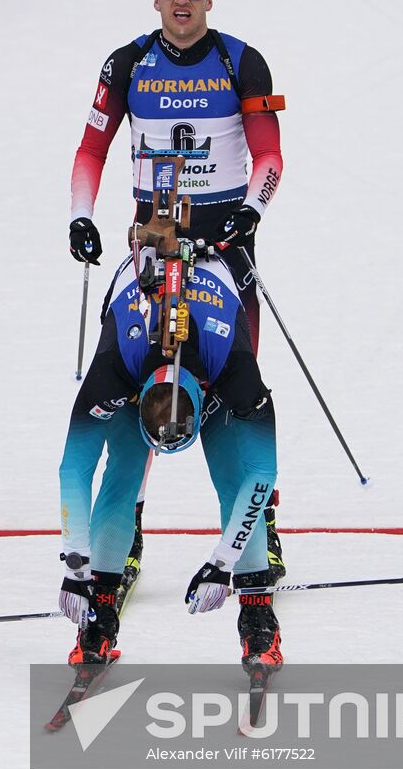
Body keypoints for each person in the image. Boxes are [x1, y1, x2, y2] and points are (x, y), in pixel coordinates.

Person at [67, 0, 287, 591]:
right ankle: (125, 526)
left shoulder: (241, 61)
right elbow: (90, 150)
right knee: (139, 372)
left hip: (225, 241)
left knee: (231, 380)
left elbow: (269, 157)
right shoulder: (128, 62)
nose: (182, 0)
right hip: (154, 237)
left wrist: (250, 212)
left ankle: (258, 527)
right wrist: (81, 216)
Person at [57, 247, 282, 675]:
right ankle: (99, 619)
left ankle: (258, 620)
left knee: (233, 477)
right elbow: (73, 469)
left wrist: (223, 562)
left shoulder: (235, 374)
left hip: (211, 361)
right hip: (136, 361)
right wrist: (75, 563)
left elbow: (262, 473)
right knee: (123, 472)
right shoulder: (112, 372)